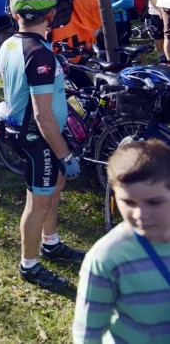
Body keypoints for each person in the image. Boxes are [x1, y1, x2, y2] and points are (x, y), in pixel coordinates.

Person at [0, 0, 86, 290]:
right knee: (38, 202)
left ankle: (51, 242)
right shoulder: (38, 53)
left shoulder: (10, 43)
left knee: (55, 185)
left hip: (24, 131)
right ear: (49, 16)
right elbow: (42, 115)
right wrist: (64, 154)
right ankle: (29, 265)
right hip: (38, 138)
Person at [72, 140, 170, 344]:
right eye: (128, 202)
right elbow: (88, 335)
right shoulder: (106, 258)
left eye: (154, 202)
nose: (140, 215)